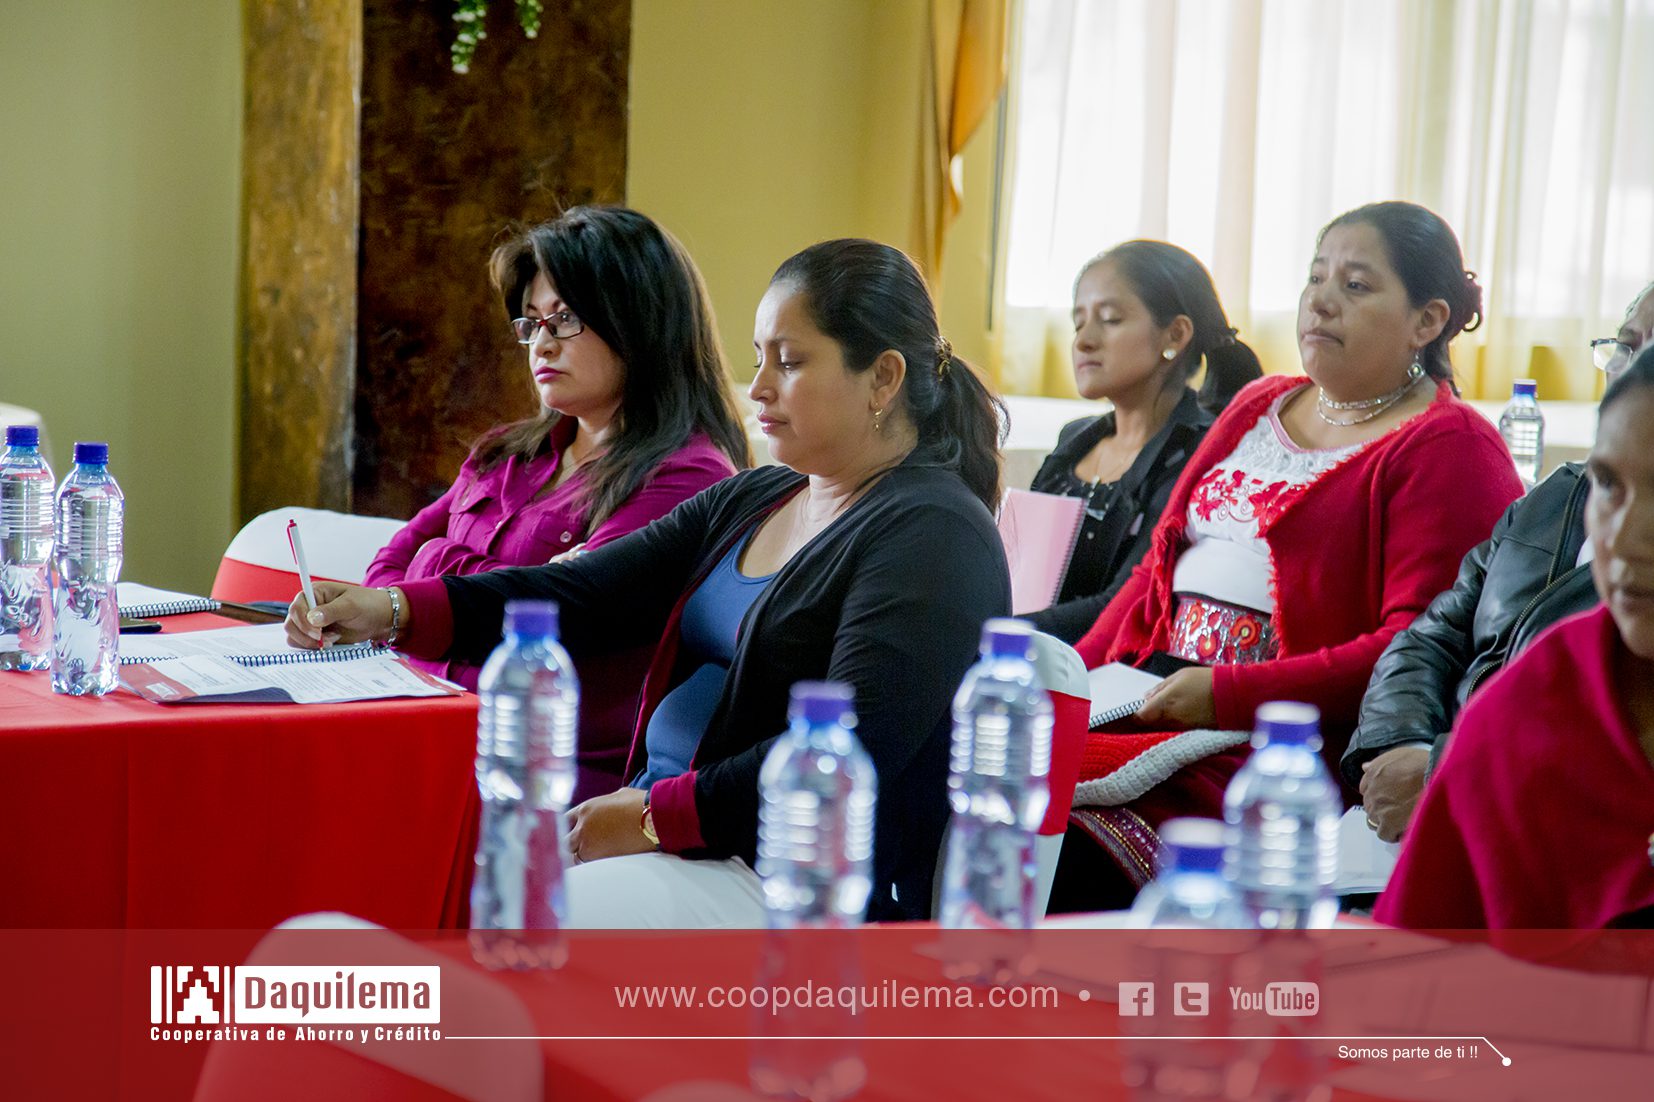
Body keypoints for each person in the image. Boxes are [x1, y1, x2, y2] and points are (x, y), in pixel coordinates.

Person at [288, 239, 1010, 926]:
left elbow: (847, 753)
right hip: (671, 839)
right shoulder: (757, 497)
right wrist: (390, 609)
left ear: (883, 377)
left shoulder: (934, 533)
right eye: (758, 358)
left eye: (789, 363)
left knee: (507, 932)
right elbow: (586, 595)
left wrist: (653, 818)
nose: (758, 387)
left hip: (788, 883)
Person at [1048, 201, 1524, 912]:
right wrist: (1070, 684)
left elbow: (1412, 649)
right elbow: (1154, 572)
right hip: (1148, 696)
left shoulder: (1450, 446)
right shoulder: (1259, 404)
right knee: (981, 790)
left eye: (1356, 286)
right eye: (1316, 277)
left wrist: (1225, 694)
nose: (1321, 301)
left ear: (1427, 320)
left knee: (1069, 853)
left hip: (1278, 747)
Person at [362, 207, 751, 801]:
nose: (540, 344)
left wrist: (432, 573)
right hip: (424, 722)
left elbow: (557, 620)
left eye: (565, 319)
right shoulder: (506, 452)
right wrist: (467, 584)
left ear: (638, 321)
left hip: (542, 775)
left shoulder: (687, 476)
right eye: (532, 322)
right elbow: (388, 567)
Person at [1346, 279, 1654, 843]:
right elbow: (1428, 639)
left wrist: (1442, 776)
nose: (1634, 371)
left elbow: (1610, 750)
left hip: (1541, 840)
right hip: (1428, 810)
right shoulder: (1555, 498)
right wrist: (1402, 748)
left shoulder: (1633, 564)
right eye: (1627, 346)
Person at [1376, 346, 1654, 929]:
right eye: (1609, 485)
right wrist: (1408, 751)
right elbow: (1423, 958)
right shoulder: (1535, 702)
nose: (1627, 536)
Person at [1025, 242, 1262, 644]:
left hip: (1116, 666)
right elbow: (1022, 573)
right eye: (1078, 323)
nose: (1084, 341)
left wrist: (993, 632)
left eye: (1110, 319)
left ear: (1175, 334)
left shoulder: (1203, 452)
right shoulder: (1075, 438)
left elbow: (1125, 607)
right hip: (1030, 651)